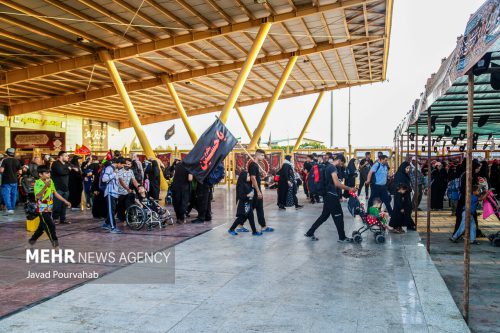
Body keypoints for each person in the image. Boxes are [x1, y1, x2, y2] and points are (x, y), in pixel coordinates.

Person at [305, 153, 355, 242]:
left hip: (327, 195)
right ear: (339, 160)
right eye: (342, 163)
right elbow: (337, 183)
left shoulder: (327, 166)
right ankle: (342, 238)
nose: (342, 165)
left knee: (324, 216)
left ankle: (310, 232)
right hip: (331, 195)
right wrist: (349, 188)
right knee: (339, 216)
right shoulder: (333, 168)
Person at [28, 165, 71, 249]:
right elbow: (38, 196)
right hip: (42, 209)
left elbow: (55, 193)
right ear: (40, 174)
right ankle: (55, 244)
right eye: (46, 173)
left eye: (49, 172)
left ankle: (32, 239)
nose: (49, 174)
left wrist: (65, 201)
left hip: (49, 207)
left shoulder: (50, 181)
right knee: (51, 225)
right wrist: (45, 186)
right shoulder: (38, 183)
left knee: (42, 227)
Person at [228, 171, 262, 236]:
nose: (250, 177)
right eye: (248, 176)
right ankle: (231, 229)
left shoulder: (248, 184)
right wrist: (248, 195)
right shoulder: (241, 185)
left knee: (251, 218)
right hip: (243, 205)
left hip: (249, 204)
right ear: (244, 177)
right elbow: (241, 196)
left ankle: (254, 231)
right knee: (240, 218)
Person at [247, 149, 274, 232]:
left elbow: (256, 177)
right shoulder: (253, 165)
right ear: (257, 155)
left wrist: (262, 175)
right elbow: (253, 178)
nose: (263, 157)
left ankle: (263, 226)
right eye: (262, 155)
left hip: (256, 190)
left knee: (258, 208)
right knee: (252, 209)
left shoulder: (256, 165)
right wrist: (258, 191)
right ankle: (239, 224)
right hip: (255, 191)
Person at [101, 158, 123, 233]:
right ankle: (113, 228)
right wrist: (114, 174)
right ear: (118, 163)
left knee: (112, 210)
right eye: (122, 164)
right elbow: (104, 179)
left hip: (115, 193)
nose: (122, 166)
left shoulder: (115, 169)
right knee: (111, 211)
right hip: (110, 192)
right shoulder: (109, 168)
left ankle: (107, 224)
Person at [50, 151, 72, 224]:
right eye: (66, 156)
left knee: (64, 205)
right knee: (57, 204)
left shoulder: (66, 164)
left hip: (65, 187)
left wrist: (68, 169)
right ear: (60, 156)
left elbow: (72, 169)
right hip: (58, 187)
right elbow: (61, 172)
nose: (67, 157)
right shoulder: (55, 164)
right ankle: (55, 218)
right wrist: (68, 169)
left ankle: (63, 219)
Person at [116, 158, 139, 224]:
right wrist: (127, 188)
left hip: (127, 192)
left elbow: (134, 180)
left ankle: (129, 218)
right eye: (126, 164)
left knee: (128, 205)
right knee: (121, 206)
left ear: (131, 165)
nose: (127, 165)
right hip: (120, 192)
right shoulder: (120, 171)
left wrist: (138, 187)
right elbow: (121, 181)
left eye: (128, 164)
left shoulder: (131, 171)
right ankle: (123, 220)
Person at [0, 148, 21, 215]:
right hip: (14, 180)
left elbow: (1, 170)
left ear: (7, 153)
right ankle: (12, 208)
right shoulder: (17, 161)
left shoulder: (5, 160)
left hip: (6, 180)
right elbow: (20, 171)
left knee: (6, 195)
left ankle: (10, 209)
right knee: (13, 195)